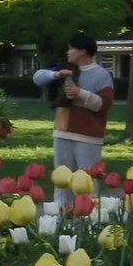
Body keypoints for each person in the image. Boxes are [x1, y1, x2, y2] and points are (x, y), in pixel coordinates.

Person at [31, 34, 115, 172]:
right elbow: (37, 78)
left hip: (89, 136)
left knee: (88, 180)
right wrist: (56, 75)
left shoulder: (101, 75)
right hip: (62, 132)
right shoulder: (65, 69)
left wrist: (79, 93)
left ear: (82, 51)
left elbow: (103, 105)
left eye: (70, 48)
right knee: (62, 180)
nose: (67, 52)